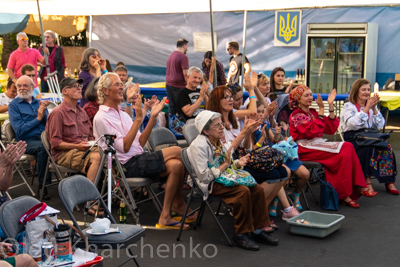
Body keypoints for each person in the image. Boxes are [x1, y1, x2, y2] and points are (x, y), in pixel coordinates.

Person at [93, 73, 194, 229]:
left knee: (176, 165)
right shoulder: (101, 117)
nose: (122, 86)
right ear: (105, 91)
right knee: (176, 150)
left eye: (122, 83)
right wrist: (139, 119)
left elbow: (140, 142)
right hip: (126, 167)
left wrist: (152, 117)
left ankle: (166, 215)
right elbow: (125, 147)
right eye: (117, 84)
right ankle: (186, 196)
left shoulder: (122, 114)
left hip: (139, 158)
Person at [188, 110, 279, 250]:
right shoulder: (198, 146)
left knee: (257, 189)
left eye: (221, 124)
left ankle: (257, 230)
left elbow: (227, 160)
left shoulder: (217, 141)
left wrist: (237, 163)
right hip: (210, 183)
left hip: (222, 177)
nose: (221, 128)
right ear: (206, 131)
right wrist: (226, 165)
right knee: (242, 191)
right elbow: (205, 177)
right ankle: (241, 234)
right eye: (217, 126)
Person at [207, 86, 297, 223]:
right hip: (229, 166)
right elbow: (225, 153)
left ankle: (258, 214)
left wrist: (248, 132)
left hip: (242, 160)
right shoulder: (214, 124)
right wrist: (244, 132)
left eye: (231, 96)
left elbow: (246, 148)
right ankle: (257, 215)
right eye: (226, 97)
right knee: (274, 174)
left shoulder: (235, 120)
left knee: (283, 172)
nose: (230, 100)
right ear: (216, 101)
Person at [289, 85, 373, 208]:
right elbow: (311, 132)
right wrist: (322, 111)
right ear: (298, 99)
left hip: (316, 144)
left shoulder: (312, 112)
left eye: (310, 94)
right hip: (303, 148)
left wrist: (330, 105)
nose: (310, 97)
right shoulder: (296, 115)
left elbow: (330, 128)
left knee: (346, 149)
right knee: (345, 148)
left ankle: (347, 192)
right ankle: (350, 190)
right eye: (306, 95)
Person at [340, 78, 398, 195]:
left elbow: (380, 124)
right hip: (353, 137)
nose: (367, 92)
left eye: (368, 89)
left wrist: (374, 109)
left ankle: (389, 181)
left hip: (369, 136)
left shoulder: (371, 107)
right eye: (363, 89)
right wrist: (366, 109)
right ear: (356, 91)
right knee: (367, 149)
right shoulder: (348, 106)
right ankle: (366, 182)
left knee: (386, 147)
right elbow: (352, 124)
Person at [46, 77, 101, 184]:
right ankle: (90, 198)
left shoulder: (82, 111)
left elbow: (90, 134)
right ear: (65, 91)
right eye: (74, 87)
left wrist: (91, 144)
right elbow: (55, 143)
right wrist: (77, 146)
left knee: (109, 153)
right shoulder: (57, 113)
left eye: (79, 86)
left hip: (83, 149)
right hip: (64, 154)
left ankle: (115, 192)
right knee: (98, 157)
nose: (79, 89)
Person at [8, 76, 51, 199]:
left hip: (44, 138)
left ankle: (70, 183)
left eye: (25, 85)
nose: (22, 88)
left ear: (32, 87)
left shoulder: (39, 103)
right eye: (19, 86)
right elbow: (20, 130)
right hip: (26, 141)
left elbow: (48, 124)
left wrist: (44, 114)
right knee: (44, 148)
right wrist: (38, 118)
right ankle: (44, 186)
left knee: (62, 142)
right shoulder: (14, 105)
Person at [165, 38, 189, 115]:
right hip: (179, 86)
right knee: (182, 108)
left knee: (172, 107)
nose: (187, 49)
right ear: (184, 46)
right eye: (187, 47)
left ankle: (172, 125)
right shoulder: (183, 57)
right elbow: (185, 73)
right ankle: (181, 126)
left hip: (169, 85)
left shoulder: (171, 55)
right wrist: (189, 86)